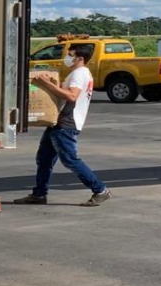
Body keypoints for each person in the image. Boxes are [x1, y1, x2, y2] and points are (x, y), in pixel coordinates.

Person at [14, 44, 111, 206]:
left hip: (66, 122)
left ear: (80, 58)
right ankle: (39, 194)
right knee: (44, 159)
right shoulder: (78, 73)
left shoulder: (79, 74)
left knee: (70, 159)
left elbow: (72, 96)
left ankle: (100, 190)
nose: (67, 57)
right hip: (58, 121)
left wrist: (47, 84)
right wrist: (53, 83)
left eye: (70, 54)